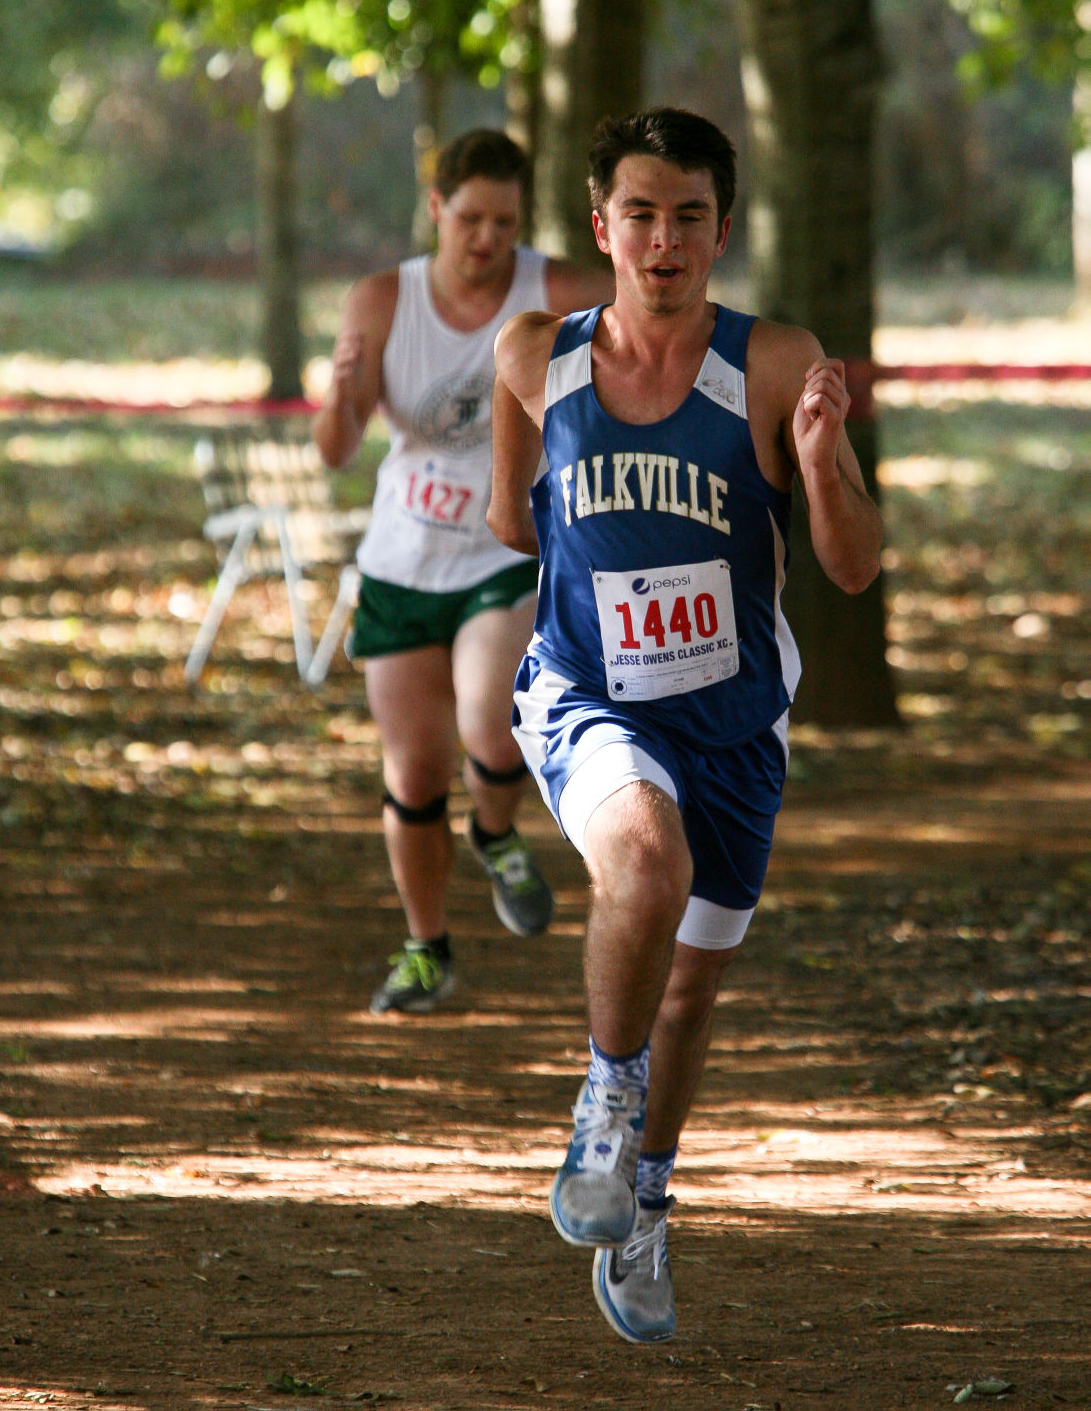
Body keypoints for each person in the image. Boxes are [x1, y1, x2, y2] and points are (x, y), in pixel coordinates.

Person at [489, 108, 883, 1344]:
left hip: (732, 720)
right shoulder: (530, 358)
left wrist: (817, 462)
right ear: (602, 228)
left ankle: (645, 1198)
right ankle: (602, 1109)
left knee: (689, 998)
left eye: (690, 217)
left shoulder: (772, 362)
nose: (664, 241)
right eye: (641, 215)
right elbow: (514, 522)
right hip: (587, 693)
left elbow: (856, 567)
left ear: (723, 228)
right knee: (642, 866)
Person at [312, 128, 609, 1016]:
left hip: (502, 549)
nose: (487, 239)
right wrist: (339, 392)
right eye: (470, 218)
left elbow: (653, 309)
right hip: (401, 559)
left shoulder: (547, 287)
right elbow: (334, 451)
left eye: (504, 222)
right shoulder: (381, 299)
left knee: (490, 717)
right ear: (435, 208)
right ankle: (425, 949)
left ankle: (494, 829)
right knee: (411, 774)